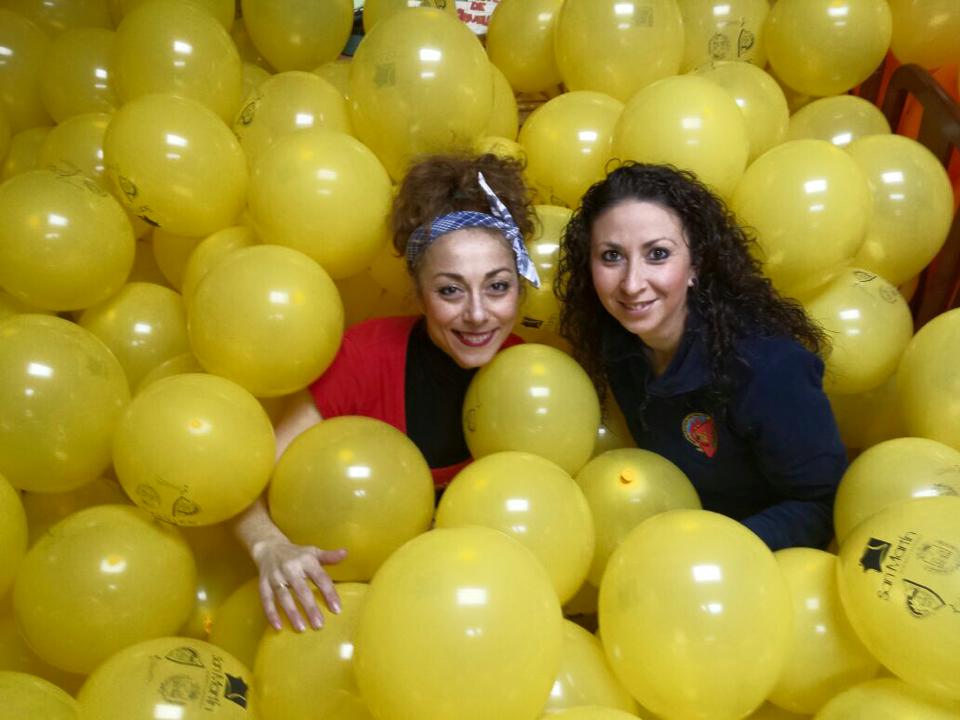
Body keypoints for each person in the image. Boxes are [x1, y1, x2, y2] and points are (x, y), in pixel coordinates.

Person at [235, 153, 540, 632]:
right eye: (450, 290)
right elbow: (242, 481)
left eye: (497, 286)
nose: (478, 314)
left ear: (519, 288)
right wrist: (268, 545)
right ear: (418, 291)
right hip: (353, 610)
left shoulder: (533, 378)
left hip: (476, 618)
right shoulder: (362, 357)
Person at [556, 162, 846, 552]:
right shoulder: (612, 342)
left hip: (752, 560)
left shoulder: (769, 368)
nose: (632, 283)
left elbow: (823, 505)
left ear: (695, 265)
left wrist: (714, 549)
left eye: (658, 254)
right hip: (663, 539)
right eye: (611, 256)